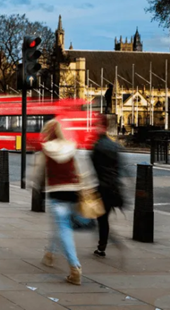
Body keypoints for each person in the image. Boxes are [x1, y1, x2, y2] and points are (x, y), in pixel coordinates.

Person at [31, 118, 97, 286]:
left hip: (57, 195)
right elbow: (85, 172)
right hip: (74, 193)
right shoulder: (73, 148)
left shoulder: (45, 151)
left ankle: (75, 267)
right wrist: (89, 189)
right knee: (62, 225)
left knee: (63, 228)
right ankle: (49, 254)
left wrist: (34, 185)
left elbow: (37, 174)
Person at [91, 115, 124, 258]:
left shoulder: (98, 145)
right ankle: (103, 244)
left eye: (97, 125)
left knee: (101, 219)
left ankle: (104, 244)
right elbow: (119, 168)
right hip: (113, 187)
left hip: (102, 187)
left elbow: (93, 169)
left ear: (102, 127)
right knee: (104, 218)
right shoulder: (114, 145)